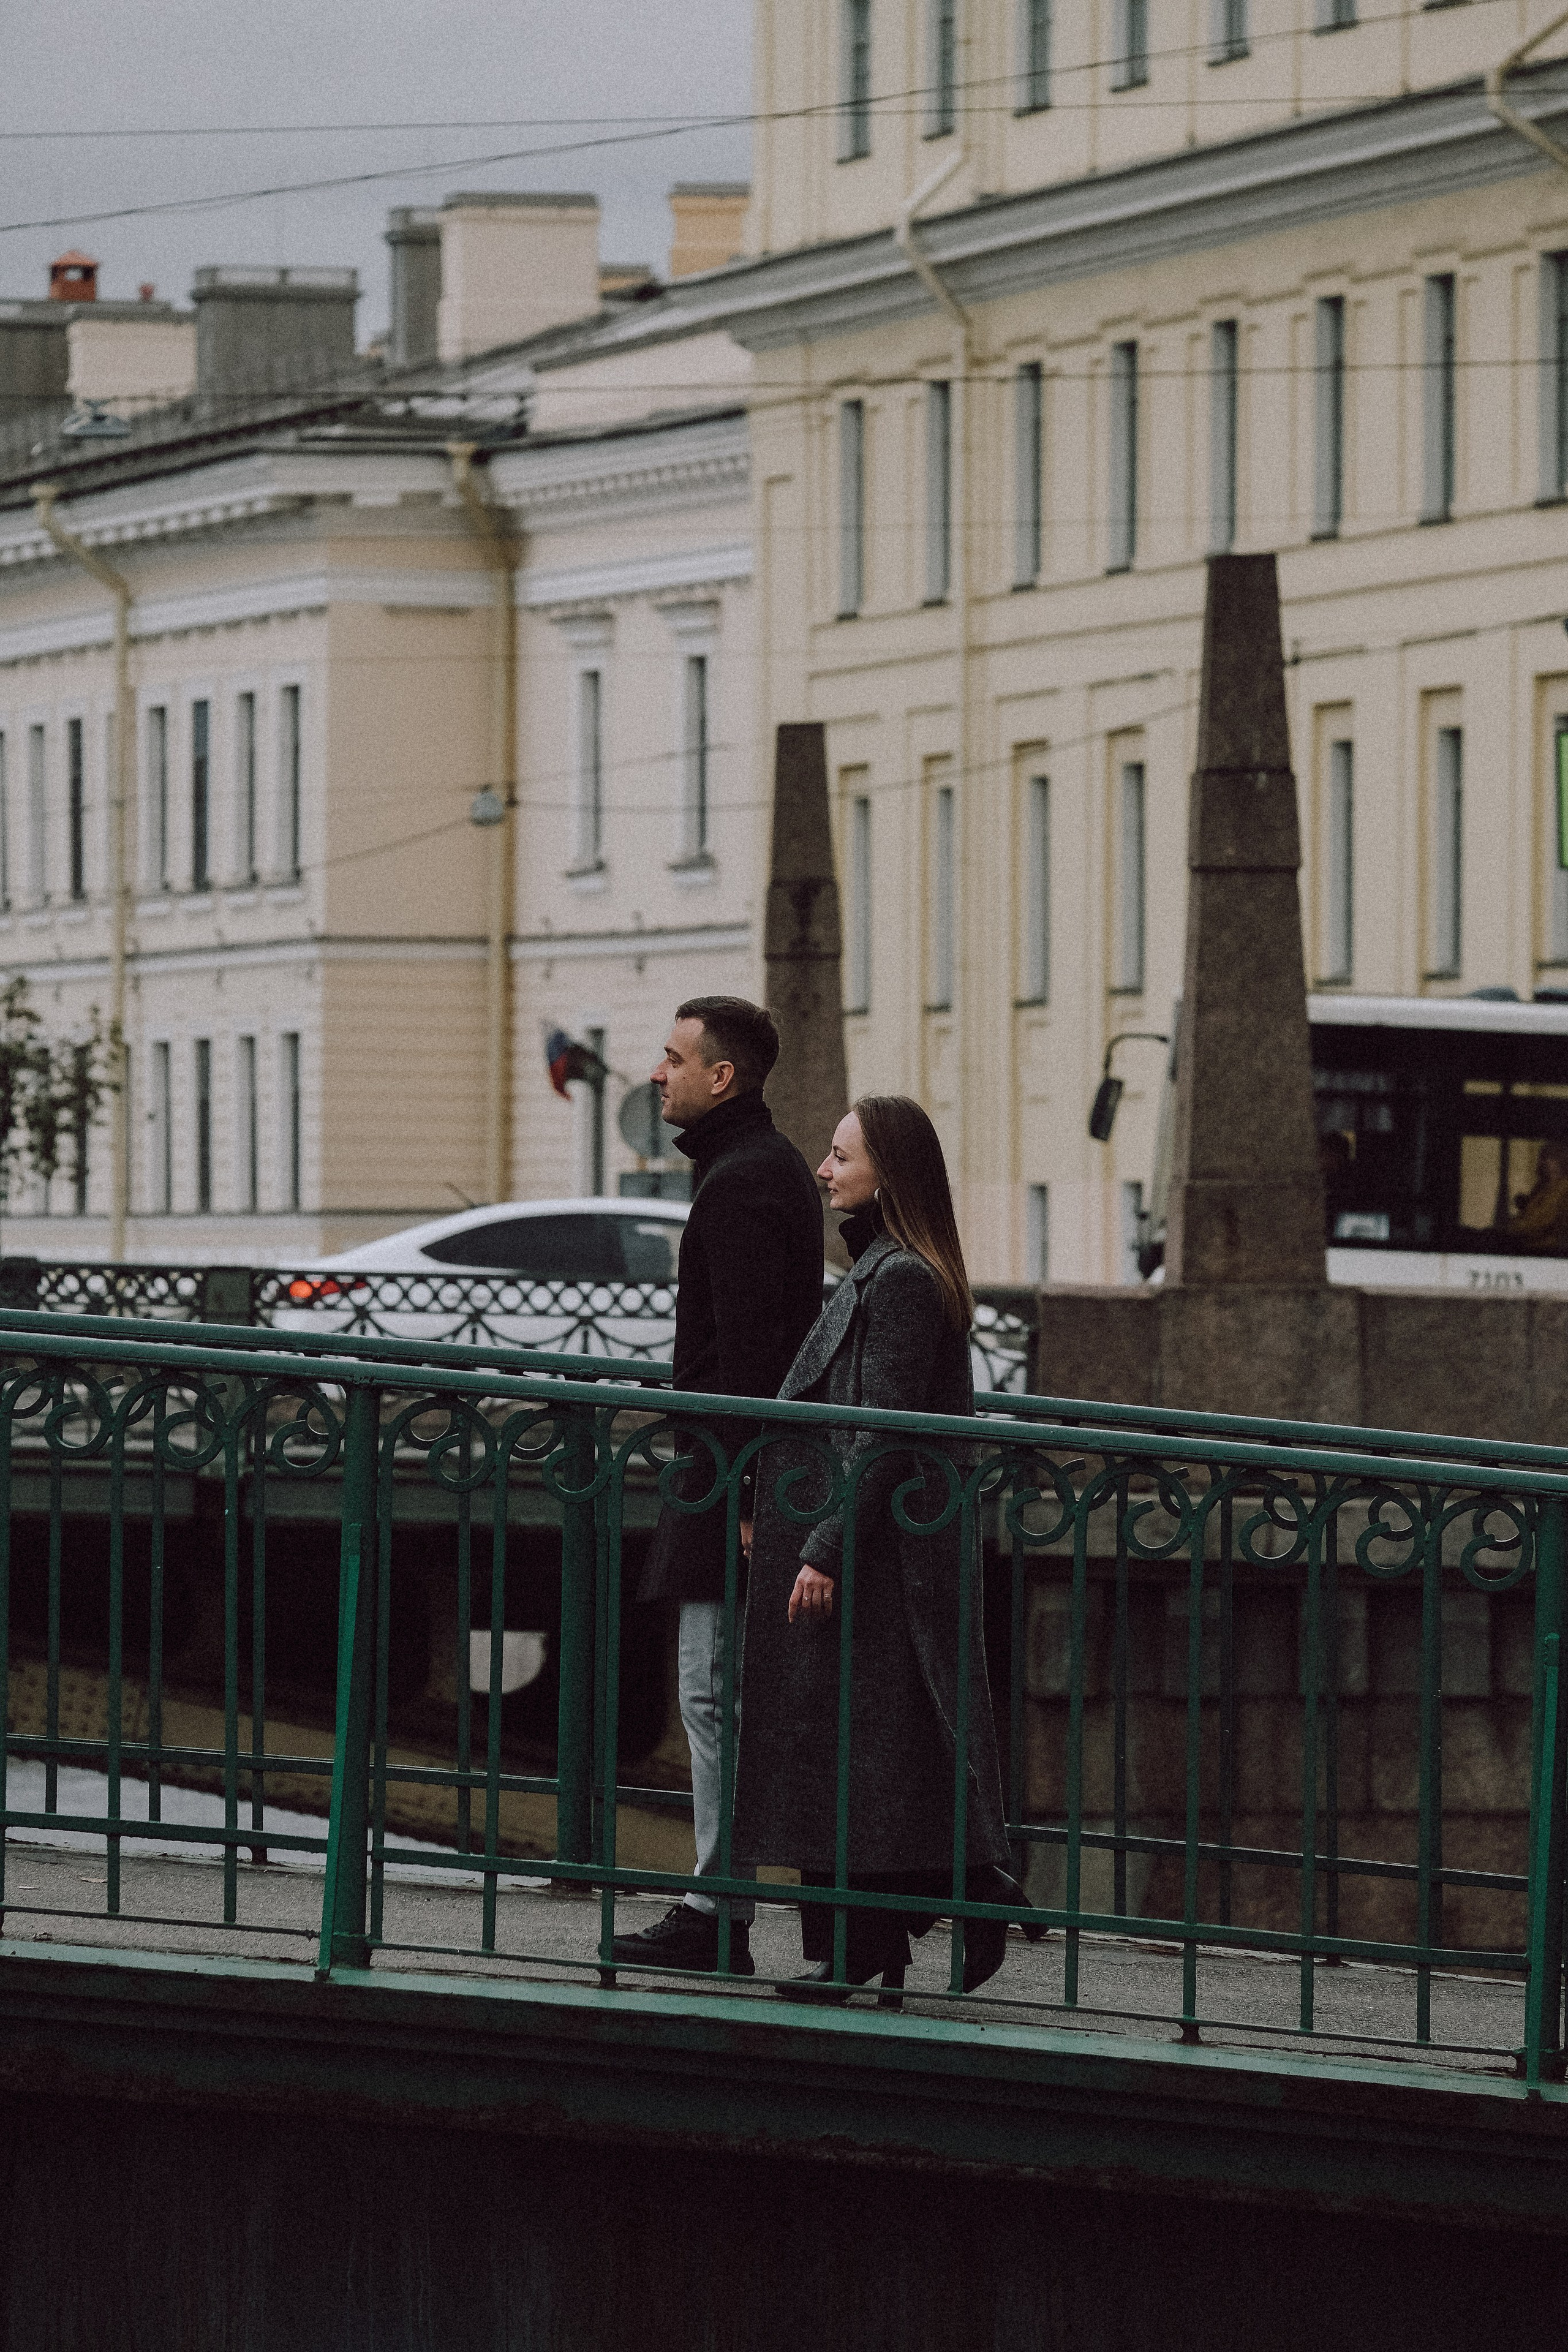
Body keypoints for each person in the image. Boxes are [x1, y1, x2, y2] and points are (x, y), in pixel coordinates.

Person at [733, 1095, 1017, 2002]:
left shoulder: (899, 1280)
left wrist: (822, 1548)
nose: (824, 1170)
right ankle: (917, 1918)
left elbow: (883, 1431)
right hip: (875, 1552)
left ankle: (931, 1909)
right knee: (855, 1753)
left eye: (840, 1155)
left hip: (874, 1562)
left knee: (849, 1751)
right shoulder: (886, 1270)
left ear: (887, 1173)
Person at [609, 996, 825, 1977]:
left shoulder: (742, 1184)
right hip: (740, 1469)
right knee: (721, 1697)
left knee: (710, 1697)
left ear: (721, 1076)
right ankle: (722, 1905)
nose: (659, 1074)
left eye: (673, 1058)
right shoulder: (756, 1170)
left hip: (733, 1473)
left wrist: (743, 1499)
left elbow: (747, 1357)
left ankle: (715, 1912)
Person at [1504, 1139, 1568, 1254]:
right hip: (1528, 1243)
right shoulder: (1542, 1186)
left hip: (1546, 1249)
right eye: (1545, 1158)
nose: (1547, 1162)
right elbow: (1529, 1214)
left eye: (1553, 1158)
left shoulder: (1563, 1188)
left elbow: (1541, 1222)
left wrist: (1512, 1229)